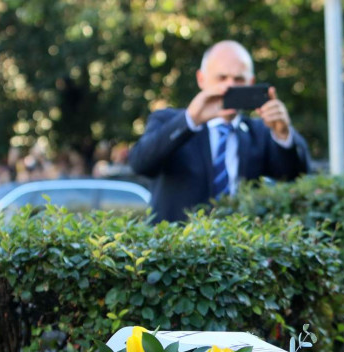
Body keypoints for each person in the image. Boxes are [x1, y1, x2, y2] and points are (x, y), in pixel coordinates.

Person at [128, 40, 310, 222]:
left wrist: (283, 134)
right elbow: (141, 163)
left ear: (251, 82)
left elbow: (295, 176)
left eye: (239, 79)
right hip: (177, 245)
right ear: (201, 79)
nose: (229, 87)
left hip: (238, 243)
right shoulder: (168, 121)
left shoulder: (260, 131)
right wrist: (190, 119)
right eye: (221, 78)